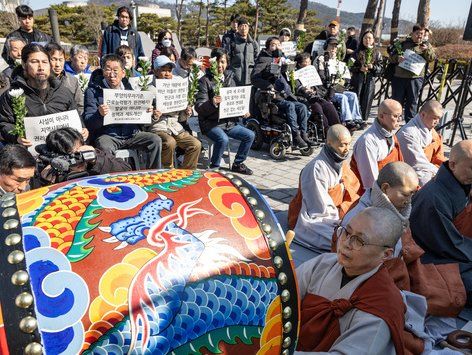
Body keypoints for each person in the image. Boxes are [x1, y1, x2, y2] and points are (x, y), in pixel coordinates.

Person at [295, 207, 405, 354]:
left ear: (385, 254)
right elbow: (280, 296)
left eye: (359, 240)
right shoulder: (323, 263)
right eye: (347, 232)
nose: (346, 243)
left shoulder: (382, 307)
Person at [410, 140, 472, 305]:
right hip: (435, 257)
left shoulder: (462, 181)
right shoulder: (434, 200)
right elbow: (451, 245)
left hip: (457, 247)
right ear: (452, 165)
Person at [289, 124, 360, 255]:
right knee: (341, 240)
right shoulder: (316, 168)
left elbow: (353, 188)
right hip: (316, 218)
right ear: (329, 143)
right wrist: (340, 222)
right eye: (343, 145)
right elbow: (319, 209)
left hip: (337, 214)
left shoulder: (340, 162)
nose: (346, 149)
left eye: (349, 144)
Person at [83, 54, 162, 169]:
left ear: (123, 73)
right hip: (108, 135)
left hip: (131, 133)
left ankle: (153, 174)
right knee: (104, 146)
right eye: (108, 70)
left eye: (116, 70)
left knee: (155, 140)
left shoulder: (130, 90)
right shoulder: (93, 91)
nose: (112, 75)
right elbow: (88, 121)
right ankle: (113, 179)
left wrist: (150, 115)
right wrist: (99, 115)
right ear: (103, 71)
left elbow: (141, 122)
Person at [0, 44, 77, 148]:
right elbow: (4, 123)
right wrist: (17, 137)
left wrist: (83, 129)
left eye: (45, 62)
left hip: (62, 150)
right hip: (27, 153)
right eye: (34, 62)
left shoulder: (64, 92)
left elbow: (76, 119)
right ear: (24, 64)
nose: (41, 67)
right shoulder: (11, 95)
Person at [195, 47, 255, 175]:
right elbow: (199, 107)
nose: (220, 65)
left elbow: (236, 100)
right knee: (223, 139)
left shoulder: (231, 78)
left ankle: (238, 163)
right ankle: (215, 167)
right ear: (212, 63)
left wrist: (243, 111)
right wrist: (212, 103)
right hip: (210, 123)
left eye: (223, 62)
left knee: (250, 135)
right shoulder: (204, 81)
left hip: (229, 122)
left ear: (227, 63)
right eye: (217, 62)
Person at [251, 37, 310, 149]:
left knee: (302, 106)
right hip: (271, 96)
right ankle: (295, 135)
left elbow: (291, 78)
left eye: (279, 45)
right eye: (274, 45)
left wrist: (301, 87)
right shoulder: (264, 59)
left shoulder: (283, 59)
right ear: (268, 47)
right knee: (290, 105)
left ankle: (304, 134)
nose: (277, 47)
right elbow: (254, 78)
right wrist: (269, 86)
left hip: (285, 94)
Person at [147, 56, 201, 169]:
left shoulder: (176, 87)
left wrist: (186, 112)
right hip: (158, 127)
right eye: (163, 70)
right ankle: (167, 171)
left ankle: (187, 173)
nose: (167, 74)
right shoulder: (148, 90)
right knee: (169, 142)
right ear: (155, 70)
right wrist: (154, 116)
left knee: (195, 144)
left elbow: (181, 119)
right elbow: (143, 120)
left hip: (175, 126)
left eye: (169, 70)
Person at [39, 127, 131, 184]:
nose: (78, 159)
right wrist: (46, 183)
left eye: (78, 153)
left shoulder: (94, 155)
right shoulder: (51, 171)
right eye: (71, 155)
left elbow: (126, 170)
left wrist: (97, 161)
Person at [351, 99, 404, 194]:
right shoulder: (368, 142)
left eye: (400, 116)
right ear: (381, 116)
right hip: (373, 196)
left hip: (391, 188)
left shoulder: (390, 134)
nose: (399, 120)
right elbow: (371, 183)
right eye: (395, 116)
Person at [315, 37, 364, 130]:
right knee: (343, 97)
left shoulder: (338, 62)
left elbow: (346, 78)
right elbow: (321, 77)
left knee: (352, 95)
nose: (333, 48)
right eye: (331, 46)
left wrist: (343, 81)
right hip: (326, 90)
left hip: (337, 88)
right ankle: (348, 120)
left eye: (335, 46)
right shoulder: (321, 59)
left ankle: (357, 119)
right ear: (326, 46)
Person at [390, 24, 436, 122]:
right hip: (399, 77)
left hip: (416, 78)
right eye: (417, 33)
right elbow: (391, 57)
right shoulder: (402, 43)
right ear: (412, 33)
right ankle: (393, 121)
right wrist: (397, 58)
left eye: (422, 34)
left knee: (412, 102)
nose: (419, 36)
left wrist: (426, 50)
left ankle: (410, 123)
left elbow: (432, 58)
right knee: (396, 101)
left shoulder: (426, 45)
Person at [397, 100, 446, 186]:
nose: (437, 122)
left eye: (439, 118)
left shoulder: (432, 132)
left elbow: (439, 157)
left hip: (428, 169)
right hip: (406, 174)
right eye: (434, 118)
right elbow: (418, 164)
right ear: (423, 114)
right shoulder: (408, 133)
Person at [294, 52, 340, 133]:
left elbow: (321, 88)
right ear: (300, 64)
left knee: (328, 105)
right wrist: (305, 90)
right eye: (306, 62)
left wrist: (315, 90)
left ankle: (338, 128)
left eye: (309, 62)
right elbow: (297, 88)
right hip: (305, 98)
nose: (308, 64)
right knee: (318, 108)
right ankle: (327, 130)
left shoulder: (312, 72)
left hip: (316, 96)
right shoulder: (295, 74)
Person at [45, 43, 85, 118]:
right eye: (54, 59)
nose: (58, 64)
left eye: (60, 60)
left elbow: (80, 106)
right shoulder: (40, 81)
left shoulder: (72, 80)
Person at [350, 29, 383, 121]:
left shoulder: (377, 53)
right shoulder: (356, 52)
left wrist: (373, 67)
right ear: (362, 39)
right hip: (357, 81)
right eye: (365, 38)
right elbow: (349, 66)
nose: (367, 40)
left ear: (373, 40)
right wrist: (359, 69)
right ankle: (354, 119)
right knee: (356, 99)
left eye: (369, 38)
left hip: (370, 81)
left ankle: (363, 120)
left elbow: (380, 69)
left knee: (366, 101)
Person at [227, 17, 259, 86]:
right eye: (241, 26)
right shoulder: (232, 43)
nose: (243, 28)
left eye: (245, 26)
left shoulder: (253, 43)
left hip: (250, 78)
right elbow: (228, 59)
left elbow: (257, 59)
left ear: (248, 28)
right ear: (237, 28)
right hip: (235, 79)